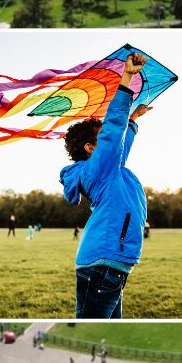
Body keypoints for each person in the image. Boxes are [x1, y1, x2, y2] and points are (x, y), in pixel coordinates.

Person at [60, 52, 152, 319]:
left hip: (108, 264)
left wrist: (132, 120)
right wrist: (126, 78)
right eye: (103, 139)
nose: (113, 141)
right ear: (91, 148)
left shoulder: (108, 169)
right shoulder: (98, 170)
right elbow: (113, 131)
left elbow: (119, 144)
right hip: (103, 263)